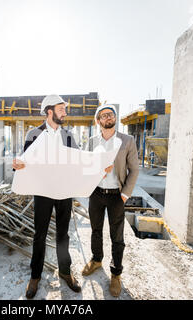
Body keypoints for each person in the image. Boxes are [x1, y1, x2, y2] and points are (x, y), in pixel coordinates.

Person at [12, 94, 81, 299]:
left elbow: (78, 161)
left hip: (64, 191)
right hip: (42, 192)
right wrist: (18, 165)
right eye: (61, 109)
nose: (65, 112)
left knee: (63, 235)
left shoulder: (68, 135)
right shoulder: (34, 134)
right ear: (49, 111)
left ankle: (65, 272)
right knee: (39, 235)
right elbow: (24, 164)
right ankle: (35, 276)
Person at [81, 104, 139, 297]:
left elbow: (134, 169)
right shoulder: (91, 142)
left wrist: (125, 195)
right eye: (104, 116)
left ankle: (116, 273)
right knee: (96, 230)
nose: (108, 118)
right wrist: (97, 170)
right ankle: (97, 260)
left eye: (111, 115)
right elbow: (84, 167)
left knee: (117, 236)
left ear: (115, 118)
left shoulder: (127, 140)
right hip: (96, 193)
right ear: (98, 121)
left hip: (117, 194)